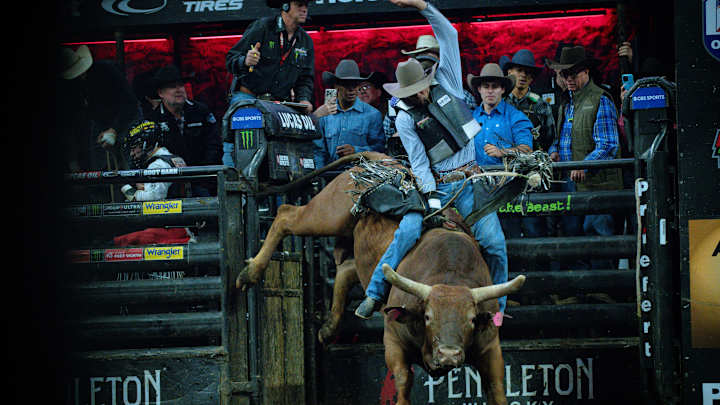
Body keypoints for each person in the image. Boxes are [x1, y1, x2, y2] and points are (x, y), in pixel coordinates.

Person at [355, 0, 508, 328]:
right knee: (407, 231)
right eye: (410, 94)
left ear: (427, 81)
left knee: (495, 243)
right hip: (437, 182)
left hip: (471, 182)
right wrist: (431, 194)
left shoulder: (449, 81)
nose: (417, 97)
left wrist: (422, 6)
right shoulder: (406, 118)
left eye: (419, 89)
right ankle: (374, 292)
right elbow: (419, 162)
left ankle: (497, 311)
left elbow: (449, 34)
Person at [547, 45, 623, 270]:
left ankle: (603, 289)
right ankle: (585, 290)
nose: (568, 78)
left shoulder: (601, 99)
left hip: (596, 184)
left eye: (573, 73)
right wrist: (555, 151)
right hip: (574, 183)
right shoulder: (569, 102)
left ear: (586, 72)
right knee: (576, 234)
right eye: (564, 74)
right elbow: (564, 138)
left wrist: (584, 165)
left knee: (598, 235)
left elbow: (609, 144)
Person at [224, 0, 315, 167]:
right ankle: (234, 185)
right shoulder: (262, 27)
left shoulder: (306, 42)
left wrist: (304, 99)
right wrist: (245, 60)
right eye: (299, 5)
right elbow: (230, 59)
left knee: (279, 155)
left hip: (278, 105)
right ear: (285, 6)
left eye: (306, 6)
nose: (304, 9)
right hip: (248, 99)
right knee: (238, 149)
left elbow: (305, 79)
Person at [467, 63, 535, 244]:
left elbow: (527, 149)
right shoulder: (470, 118)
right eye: (486, 87)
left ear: (503, 89)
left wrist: (502, 152)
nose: (490, 91)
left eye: (495, 86)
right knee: (481, 240)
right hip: (479, 190)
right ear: (479, 90)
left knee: (511, 237)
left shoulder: (516, 117)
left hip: (509, 190)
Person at [58, 45, 139, 176]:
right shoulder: (73, 85)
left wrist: (114, 129)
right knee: (99, 167)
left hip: (127, 119)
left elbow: (129, 103)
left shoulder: (107, 70)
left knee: (132, 161)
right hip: (100, 124)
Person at [146, 64, 222, 196]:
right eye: (171, 86)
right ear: (160, 93)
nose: (178, 90)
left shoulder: (201, 111)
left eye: (180, 85)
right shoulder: (152, 119)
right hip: (170, 185)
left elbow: (214, 145)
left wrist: (202, 175)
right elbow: (151, 155)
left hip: (204, 180)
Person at [312, 59, 385, 168]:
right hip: (331, 176)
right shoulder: (325, 115)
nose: (351, 89)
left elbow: (380, 149)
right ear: (336, 86)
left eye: (355, 85)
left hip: (362, 176)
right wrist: (318, 178)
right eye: (346, 85)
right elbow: (318, 152)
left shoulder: (372, 115)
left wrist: (356, 151)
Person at [120, 120, 189, 202]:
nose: (132, 153)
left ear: (146, 143)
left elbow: (151, 200)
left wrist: (125, 188)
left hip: (170, 212)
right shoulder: (172, 157)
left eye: (134, 147)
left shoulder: (157, 164)